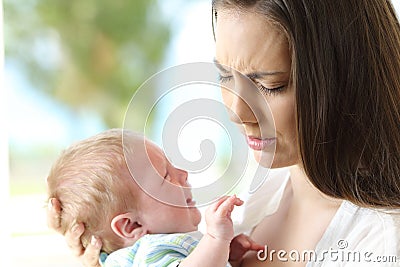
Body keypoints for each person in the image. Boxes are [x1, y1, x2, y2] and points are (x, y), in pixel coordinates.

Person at [48, 0, 400, 266]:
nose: (235, 112)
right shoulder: (265, 189)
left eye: (269, 85)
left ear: (347, 81)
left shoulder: (383, 240)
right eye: (225, 76)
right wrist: (115, 251)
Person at [46, 128, 262, 266]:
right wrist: (216, 239)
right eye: (166, 175)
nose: (183, 174)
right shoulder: (149, 252)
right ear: (131, 226)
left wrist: (223, 253)